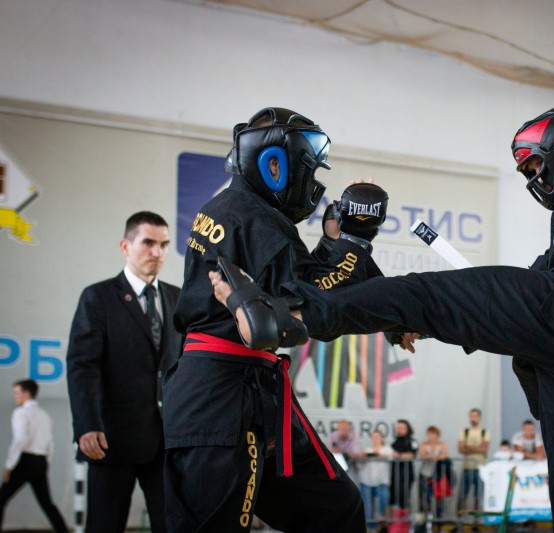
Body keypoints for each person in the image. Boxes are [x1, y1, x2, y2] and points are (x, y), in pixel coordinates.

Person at [209, 104, 554, 532]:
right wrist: (432, 322)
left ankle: (290, 315)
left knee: (422, 292)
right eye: (527, 171)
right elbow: (521, 288)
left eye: (536, 165)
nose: (535, 179)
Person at [164, 107, 389, 532]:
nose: (313, 186)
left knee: (335, 509)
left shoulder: (230, 208)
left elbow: (292, 282)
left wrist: (335, 243)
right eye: (309, 172)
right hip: (226, 396)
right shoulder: (258, 219)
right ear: (274, 165)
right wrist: (355, 237)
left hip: (236, 389)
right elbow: (313, 302)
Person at [66, 210, 182, 533]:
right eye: (148, 243)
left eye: (164, 244)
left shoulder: (178, 299)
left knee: (173, 525)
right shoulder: (98, 298)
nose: (157, 252)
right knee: (105, 526)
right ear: (125, 246)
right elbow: (83, 366)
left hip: (167, 441)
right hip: (110, 439)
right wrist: (87, 425)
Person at [0, 379, 68, 533]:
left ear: (27, 393)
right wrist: (45, 462)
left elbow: (20, 439)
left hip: (26, 461)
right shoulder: (44, 415)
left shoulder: (21, 413)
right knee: (47, 503)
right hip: (41, 462)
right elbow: (50, 442)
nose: (15, 396)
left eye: (17, 393)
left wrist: (9, 465)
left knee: (2, 498)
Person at [457, 408, 490, 516]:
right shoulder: (464, 431)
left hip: (480, 469)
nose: (473, 418)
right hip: (467, 468)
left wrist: (468, 447)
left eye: (475, 416)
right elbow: (461, 449)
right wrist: (477, 448)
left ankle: (476, 521)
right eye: (471, 416)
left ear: (479, 417)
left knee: (478, 497)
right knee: (462, 496)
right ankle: (459, 520)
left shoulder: (484, 432)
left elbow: (484, 449)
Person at [360, 430, 393, 533]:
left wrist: (378, 454)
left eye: (377, 437)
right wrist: (363, 458)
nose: (375, 439)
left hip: (382, 481)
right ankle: (371, 528)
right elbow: (360, 465)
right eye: (373, 437)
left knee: (384, 497)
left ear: (382, 438)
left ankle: (381, 517)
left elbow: (391, 457)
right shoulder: (367, 450)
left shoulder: (387, 449)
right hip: (366, 481)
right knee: (368, 507)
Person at [389, 419, 418, 529]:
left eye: (402, 427)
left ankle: (404, 525)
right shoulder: (395, 442)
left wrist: (399, 455)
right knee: (394, 500)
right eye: (398, 427)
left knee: (404, 500)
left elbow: (412, 455)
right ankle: (395, 525)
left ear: (407, 429)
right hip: (395, 475)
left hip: (406, 475)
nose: (399, 429)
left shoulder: (412, 441)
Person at [418, 425, 450, 520]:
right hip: (425, 474)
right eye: (429, 434)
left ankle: (439, 521)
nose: (430, 436)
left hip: (438, 475)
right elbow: (422, 454)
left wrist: (435, 457)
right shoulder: (423, 444)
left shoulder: (442, 444)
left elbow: (445, 455)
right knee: (424, 498)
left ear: (437, 435)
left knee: (439, 498)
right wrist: (433, 456)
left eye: (433, 434)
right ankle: (426, 521)